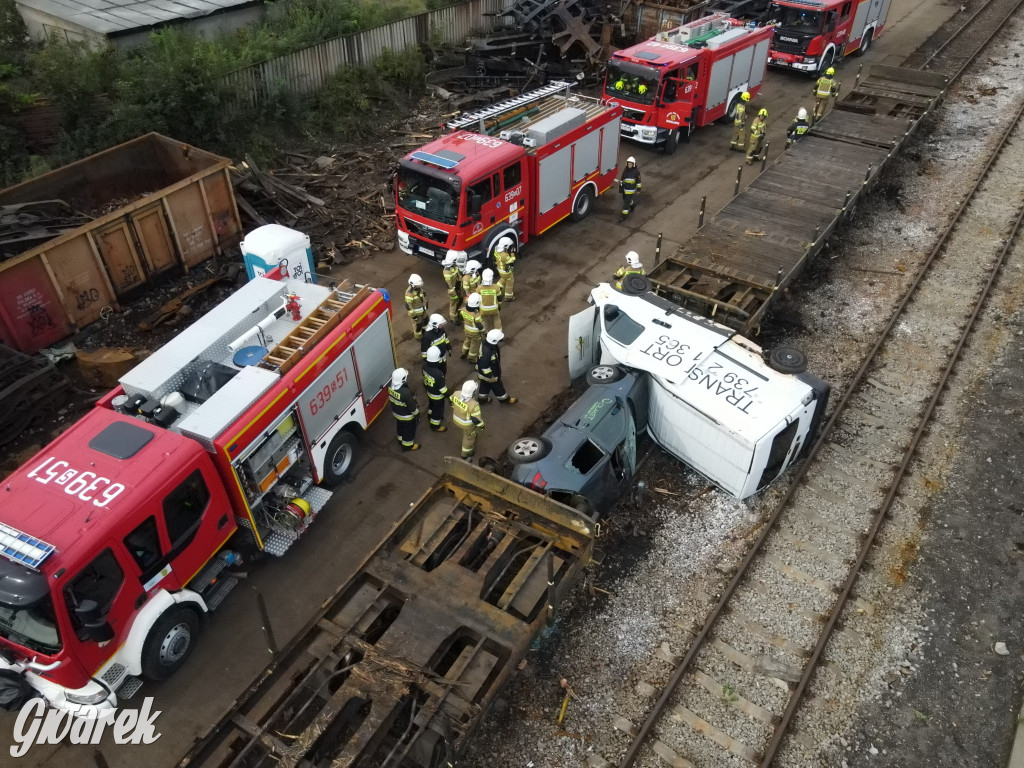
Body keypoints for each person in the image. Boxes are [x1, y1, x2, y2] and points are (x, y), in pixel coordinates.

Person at [476, 329, 517, 404]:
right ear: (494, 340)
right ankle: (504, 399)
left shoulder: (486, 343)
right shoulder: (487, 352)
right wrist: (491, 376)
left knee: (485, 385)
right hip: (490, 374)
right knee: (498, 386)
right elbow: (484, 366)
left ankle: (482, 399)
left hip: (483, 374)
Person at [451, 380, 484, 460]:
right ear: (473, 392)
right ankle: (466, 453)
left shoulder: (456, 393)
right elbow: (476, 420)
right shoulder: (474, 404)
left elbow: (451, 402)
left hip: (456, 419)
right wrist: (482, 426)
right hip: (467, 425)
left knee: (467, 433)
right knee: (469, 437)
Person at [388, 368, 419, 451]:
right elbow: (412, 407)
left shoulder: (390, 387)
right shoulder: (406, 393)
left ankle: (400, 438)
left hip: (396, 413)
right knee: (409, 429)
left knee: (400, 426)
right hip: (407, 417)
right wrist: (417, 414)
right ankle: (408, 445)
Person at [422, 346, 448, 432]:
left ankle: (430, 414)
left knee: (431, 404)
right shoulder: (438, 373)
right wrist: (449, 395)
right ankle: (435, 425)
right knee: (437, 411)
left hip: (429, 391)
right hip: (437, 396)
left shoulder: (424, 365)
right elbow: (442, 389)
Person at [460, 292, 484, 363]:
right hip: (475, 333)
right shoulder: (476, 314)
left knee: (467, 340)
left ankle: (464, 352)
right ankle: (472, 358)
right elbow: (479, 326)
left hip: (467, 329)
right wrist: (483, 332)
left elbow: (462, 319)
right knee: (474, 345)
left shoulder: (463, 310)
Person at [478, 268, 503, 332]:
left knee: (484, 320)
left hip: (483, 309)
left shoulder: (479, 288)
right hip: (494, 309)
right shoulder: (496, 287)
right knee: (496, 319)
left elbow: (477, 298)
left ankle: (484, 333)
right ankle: (498, 333)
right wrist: (500, 305)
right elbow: (499, 298)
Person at [404, 274, 428, 340]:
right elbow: (408, 305)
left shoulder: (418, 289)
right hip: (416, 313)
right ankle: (419, 337)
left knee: (426, 321)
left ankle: (424, 331)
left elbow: (422, 295)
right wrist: (413, 316)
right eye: (418, 285)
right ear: (413, 285)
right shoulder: (409, 293)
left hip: (423, 310)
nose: (419, 286)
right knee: (418, 326)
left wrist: (426, 303)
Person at [441, 253, 463, 322]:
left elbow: (458, 276)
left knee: (459, 301)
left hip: (458, 288)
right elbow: (449, 284)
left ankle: (456, 313)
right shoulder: (447, 271)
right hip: (453, 291)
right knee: (454, 303)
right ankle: (453, 319)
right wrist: (453, 293)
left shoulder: (453, 266)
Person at [494, 236, 516, 302]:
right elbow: (511, 262)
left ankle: (495, 290)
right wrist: (512, 253)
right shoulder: (504, 255)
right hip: (505, 271)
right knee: (510, 282)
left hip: (500, 270)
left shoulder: (496, 250)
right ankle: (508, 297)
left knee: (503, 279)